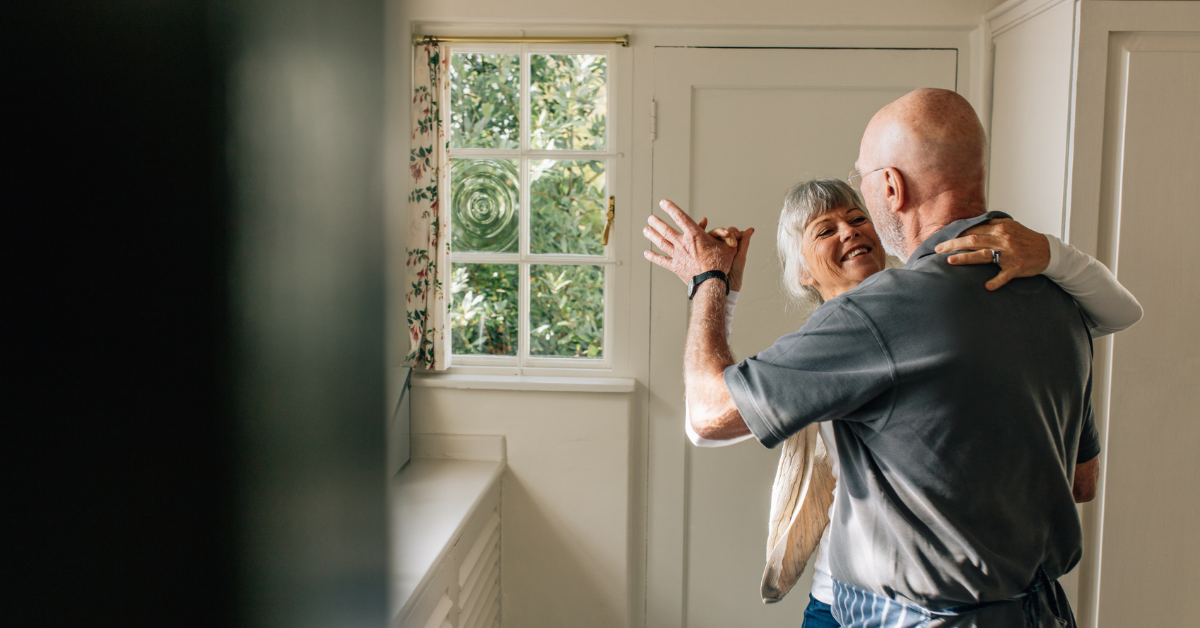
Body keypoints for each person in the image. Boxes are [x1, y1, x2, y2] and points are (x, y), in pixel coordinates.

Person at [642, 88, 1142, 627]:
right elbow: (1080, 481)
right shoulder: (1061, 301)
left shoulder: (881, 314)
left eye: (861, 182)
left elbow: (708, 415)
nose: (853, 224)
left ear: (890, 186)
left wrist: (708, 281)